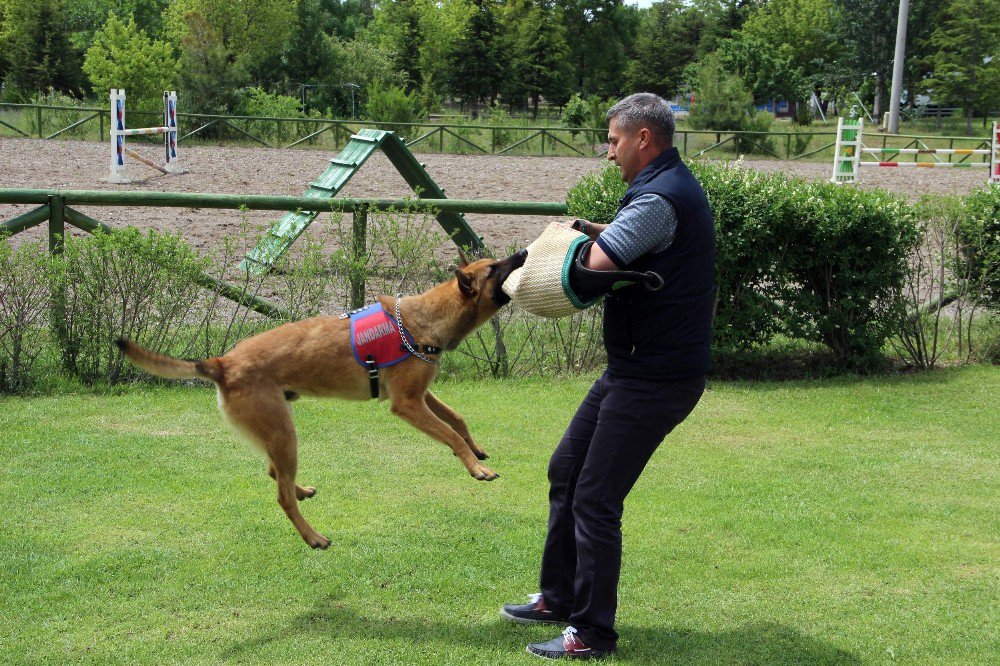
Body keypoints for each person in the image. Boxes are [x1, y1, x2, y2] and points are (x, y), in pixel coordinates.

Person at [500, 93, 716, 660]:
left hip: (656, 377)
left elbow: (598, 266)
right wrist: (584, 227)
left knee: (595, 498)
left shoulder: (659, 198)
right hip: (634, 368)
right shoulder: (663, 188)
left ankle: (591, 633)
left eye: (615, 139)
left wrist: (557, 253)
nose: (609, 150)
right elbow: (633, 241)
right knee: (567, 470)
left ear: (644, 139)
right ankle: (558, 596)